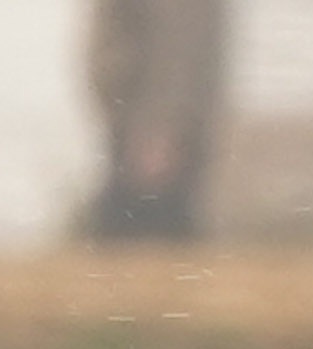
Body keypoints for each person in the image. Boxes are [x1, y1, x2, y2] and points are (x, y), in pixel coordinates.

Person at [81, 0, 226, 244]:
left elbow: (201, 55)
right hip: (139, 128)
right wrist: (149, 126)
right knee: (130, 230)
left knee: (172, 236)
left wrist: (176, 124)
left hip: (180, 129)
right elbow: (110, 52)